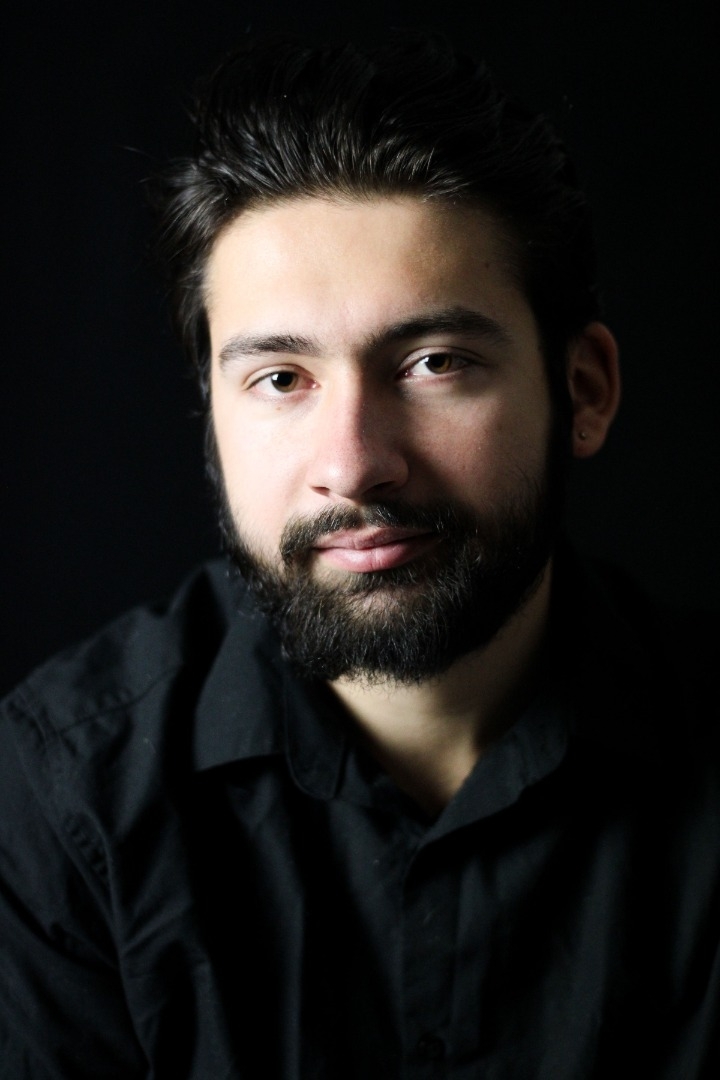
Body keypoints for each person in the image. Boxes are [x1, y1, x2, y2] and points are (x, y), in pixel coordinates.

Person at [0, 31, 718, 1080]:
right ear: (212, 419)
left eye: (434, 363)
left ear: (585, 391)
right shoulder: (64, 799)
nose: (354, 466)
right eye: (280, 379)